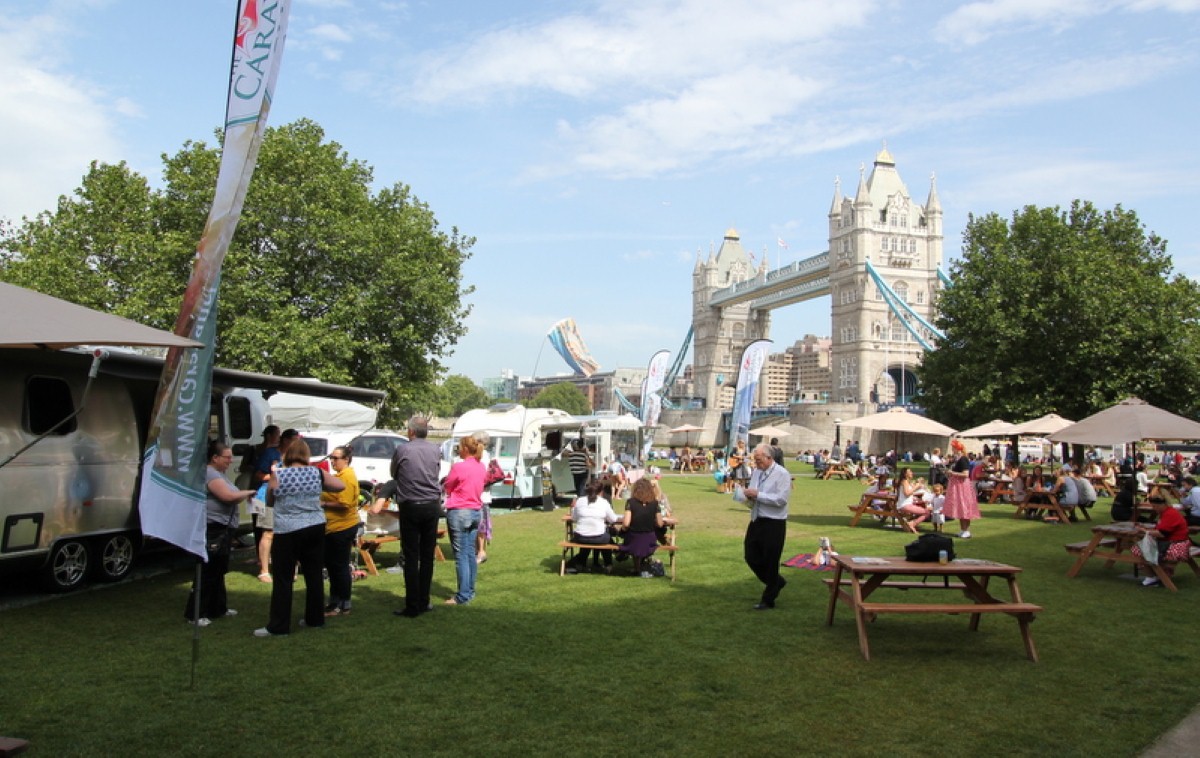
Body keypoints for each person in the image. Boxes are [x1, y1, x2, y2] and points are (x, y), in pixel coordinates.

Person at [255, 438, 345, 637]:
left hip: (287, 529)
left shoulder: (278, 474)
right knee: (314, 575)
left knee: (283, 578)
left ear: (287, 454)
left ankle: (279, 626)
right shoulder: (316, 473)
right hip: (314, 527)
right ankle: (315, 619)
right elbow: (340, 485)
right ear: (306, 455)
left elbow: (270, 500)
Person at [185, 441, 256, 627]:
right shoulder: (210, 474)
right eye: (227, 457)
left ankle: (218, 608)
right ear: (215, 457)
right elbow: (227, 496)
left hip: (223, 528)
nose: (230, 461)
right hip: (213, 527)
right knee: (208, 570)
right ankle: (196, 613)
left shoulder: (220, 474)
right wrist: (249, 492)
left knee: (218, 569)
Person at [385, 416, 443, 618]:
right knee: (427, 556)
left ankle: (412, 605)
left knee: (411, 556)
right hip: (431, 504)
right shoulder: (435, 449)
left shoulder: (403, 449)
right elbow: (436, 471)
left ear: (411, 431)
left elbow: (394, 473)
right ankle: (423, 601)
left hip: (411, 505)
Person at [741, 443, 792, 610]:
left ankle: (768, 599)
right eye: (755, 460)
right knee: (750, 555)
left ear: (769, 458)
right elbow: (754, 491)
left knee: (771, 560)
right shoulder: (757, 472)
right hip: (757, 519)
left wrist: (758, 495)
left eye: (759, 460)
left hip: (774, 522)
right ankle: (777, 582)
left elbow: (781, 500)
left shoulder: (782, 474)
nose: (756, 463)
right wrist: (747, 495)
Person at [443, 435, 485, 605]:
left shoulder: (459, 467)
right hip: (475, 511)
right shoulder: (481, 466)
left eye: (459, 447)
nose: (458, 450)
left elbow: (448, 486)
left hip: (460, 512)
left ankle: (462, 595)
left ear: (466, 449)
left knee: (461, 555)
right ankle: (469, 590)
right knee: (469, 553)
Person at [320, 445, 360, 617]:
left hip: (342, 527)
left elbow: (344, 504)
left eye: (336, 458)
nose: (332, 461)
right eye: (331, 457)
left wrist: (323, 504)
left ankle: (342, 604)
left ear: (346, 459)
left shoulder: (347, 477)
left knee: (339, 566)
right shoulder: (339, 476)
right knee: (332, 565)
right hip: (333, 527)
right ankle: (335, 601)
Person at [1132, 496, 1192, 587]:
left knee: (1138, 549)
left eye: (1155, 506)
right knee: (1143, 548)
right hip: (1176, 542)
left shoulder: (1170, 514)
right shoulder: (1168, 512)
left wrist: (1145, 531)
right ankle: (1158, 576)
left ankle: (1151, 577)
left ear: (1162, 505)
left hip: (1176, 546)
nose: (1154, 508)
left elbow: (1162, 533)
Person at [567, 479, 621, 573]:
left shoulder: (580, 500)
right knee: (606, 535)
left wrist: (572, 508)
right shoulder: (603, 502)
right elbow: (613, 519)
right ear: (601, 491)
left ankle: (580, 563)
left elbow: (574, 518)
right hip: (598, 537)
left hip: (581, 537)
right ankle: (608, 564)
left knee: (588, 537)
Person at [619, 477, 664, 577]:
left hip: (634, 539)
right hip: (650, 539)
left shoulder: (630, 502)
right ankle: (640, 567)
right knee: (643, 540)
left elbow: (626, 523)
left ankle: (637, 567)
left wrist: (621, 530)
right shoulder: (655, 503)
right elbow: (660, 524)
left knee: (633, 539)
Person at [943, 439, 980, 539]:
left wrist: (952, 473)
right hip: (958, 485)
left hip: (962, 486)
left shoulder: (963, 459)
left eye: (953, 448)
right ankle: (963, 530)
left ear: (957, 448)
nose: (952, 449)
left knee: (964, 508)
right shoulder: (958, 459)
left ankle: (966, 530)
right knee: (960, 508)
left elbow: (965, 474)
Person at [475, 432, 495, 564]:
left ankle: (481, 552)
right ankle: (479, 551)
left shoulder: (483, 458)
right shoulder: (487, 456)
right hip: (483, 496)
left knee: (480, 526)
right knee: (481, 526)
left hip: (481, 496)